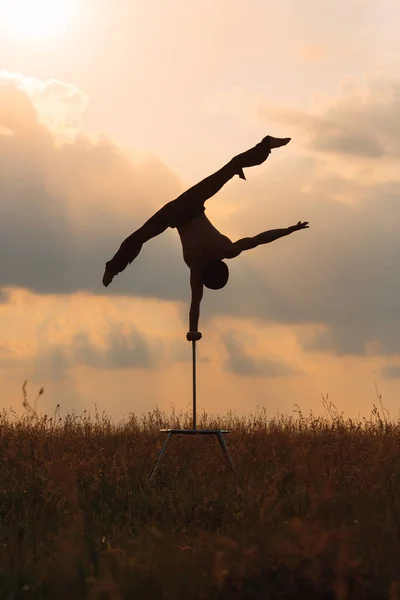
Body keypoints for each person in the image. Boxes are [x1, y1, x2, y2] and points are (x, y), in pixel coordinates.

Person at [102, 135, 309, 341]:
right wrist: (192, 331)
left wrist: (289, 229)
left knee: (232, 167)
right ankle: (111, 269)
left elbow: (259, 239)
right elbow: (195, 305)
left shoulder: (226, 250)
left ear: (222, 266)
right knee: (139, 237)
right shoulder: (197, 267)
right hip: (173, 215)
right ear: (206, 279)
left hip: (192, 201)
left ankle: (267, 144)